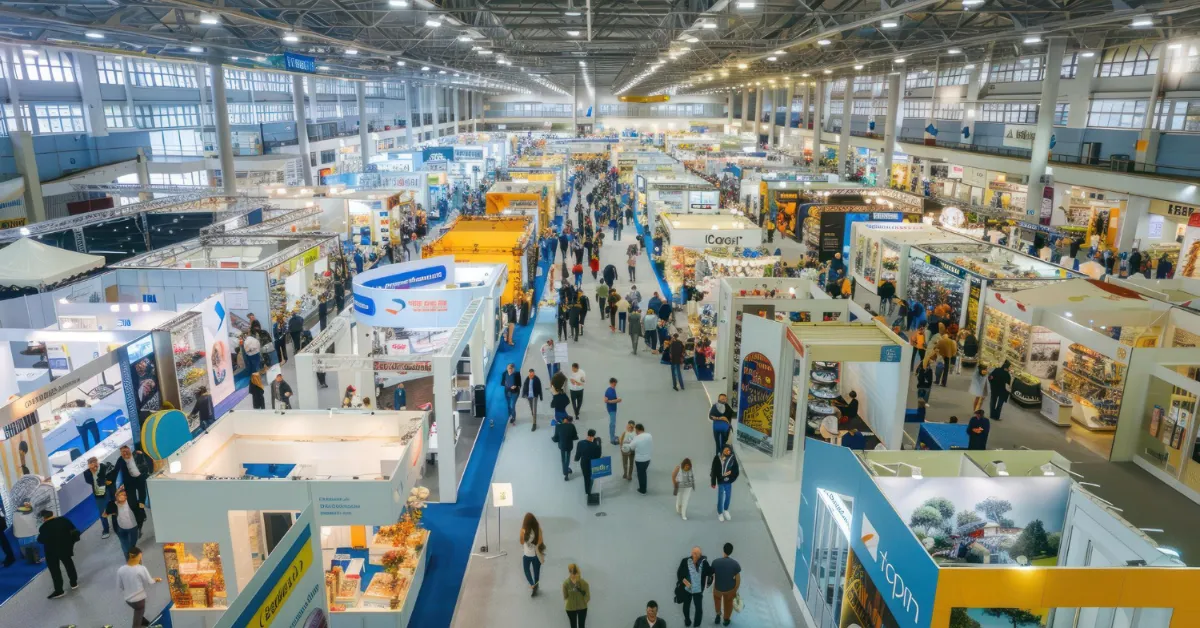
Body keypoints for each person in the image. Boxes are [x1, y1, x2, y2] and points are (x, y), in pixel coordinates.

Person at [38, 509, 79, 599]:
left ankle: (59, 590)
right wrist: (70, 543)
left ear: (44, 518)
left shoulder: (43, 528)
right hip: (65, 548)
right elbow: (75, 531)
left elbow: (40, 540)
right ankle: (74, 583)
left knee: (55, 570)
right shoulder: (64, 520)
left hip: (51, 552)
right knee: (69, 564)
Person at [118, 546, 162, 628]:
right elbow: (150, 581)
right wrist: (156, 579)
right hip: (139, 599)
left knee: (138, 612)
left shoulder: (121, 569)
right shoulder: (141, 568)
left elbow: (120, 586)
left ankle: (144, 622)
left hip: (128, 599)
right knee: (139, 612)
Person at [677, 546, 713, 627]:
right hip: (687, 588)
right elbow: (679, 574)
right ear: (691, 553)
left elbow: (710, 572)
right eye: (694, 553)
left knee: (699, 609)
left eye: (697, 554)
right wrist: (685, 582)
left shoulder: (704, 563)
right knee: (686, 606)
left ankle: (696, 625)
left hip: (698, 589)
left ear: (700, 555)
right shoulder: (685, 561)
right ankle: (687, 620)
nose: (695, 555)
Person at [106, 489, 145, 558]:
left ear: (126, 497)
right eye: (119, 494)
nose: (121, 496)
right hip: (121, 529)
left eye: (123, 495)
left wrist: (139, 525)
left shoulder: (132, 503)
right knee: (125, 547)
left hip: (133, 528)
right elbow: (105, 514)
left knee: (132, 544)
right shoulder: (113, 504)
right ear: (116, 496)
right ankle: (129, 560)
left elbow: (140, 514)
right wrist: (110, 511)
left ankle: (132, 555)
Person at [711, 543, 741, 626]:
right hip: (730, 589)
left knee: (717, 600)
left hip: (718, 588)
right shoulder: (735, 564)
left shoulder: (715, 562)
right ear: (731, 551)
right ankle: (726, 619)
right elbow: (738, 579)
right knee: (728, 604)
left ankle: (718, 615)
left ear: (723, 550)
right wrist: (735, 589)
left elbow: (711, 574)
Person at [83, 457, 113, 540]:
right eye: (91, 463)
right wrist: (92, 472)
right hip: (98, 494)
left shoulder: (102, 466)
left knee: (113, 507)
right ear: (89, 465)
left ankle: (117, 524)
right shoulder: (86, 472)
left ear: (97, 462)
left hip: (107, 491)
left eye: (94, 462)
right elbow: (89, 481)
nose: (94, 464)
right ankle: (106, 529)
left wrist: (96, 472)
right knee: (102, 512)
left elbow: (103, 477)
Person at [711, 445, 740, 522]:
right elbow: (713, 471)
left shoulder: (732, 459)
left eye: (729, 450)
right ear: (723, 450)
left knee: (728, 496)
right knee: (721, 497)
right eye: (726, 450)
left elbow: (736, 471)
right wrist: (713, 482)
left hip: (728, 482)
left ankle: (725, 509)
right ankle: (720, 512)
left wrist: (731, 477)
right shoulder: (717, 458)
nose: (727, 451)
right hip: (721, 481)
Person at [622, 423, 654, 494]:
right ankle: (644, 487)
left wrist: (624, 446)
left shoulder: (637, 438)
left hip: (640, 460)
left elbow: (631, 447)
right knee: (644, 473)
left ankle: (642, 490)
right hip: (648, 459)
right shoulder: (649, 435)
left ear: (637, 429)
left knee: (641, 475)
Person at [520, 513, 545, 596]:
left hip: (526, 555)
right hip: (536, 555)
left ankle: (532, 584)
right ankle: (536, 585)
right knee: (536, 572)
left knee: (526, 570)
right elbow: (541, 541)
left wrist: (522, 534)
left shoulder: (523, 530)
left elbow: (521, 542)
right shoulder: (538, 529)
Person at [574, 429, 602, 497]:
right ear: (593, 436)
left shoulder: (580, 443)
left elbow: (578, 454)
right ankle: (589, 489)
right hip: (593, 463)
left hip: (584, 463)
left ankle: (587, 492)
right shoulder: (596, 445)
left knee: (586, 477)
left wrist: (576, 459)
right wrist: (598, 443)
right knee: (592, 476)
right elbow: (598, 455)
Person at [563, 563, 591, 628]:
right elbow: (565, 596)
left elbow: (588, 596)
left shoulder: (583, 583)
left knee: (581, 625)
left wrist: (584, 602)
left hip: (581, 608)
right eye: (571, 571)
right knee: (574, 626)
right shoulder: (566, 584)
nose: (573, 574)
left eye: (574, 572)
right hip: (571, 608)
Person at [554, 415, 579, 481]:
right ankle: (566, 471)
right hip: (569, 446)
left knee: (563, 459)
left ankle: (565, 472)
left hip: (562, 445)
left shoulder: (558, 426)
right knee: (567, 458)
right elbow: (575, 437)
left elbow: (555, 438)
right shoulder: (572, 426)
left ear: (564, 420)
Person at [600, 377, 624, 445]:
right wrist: (617, 400)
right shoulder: (609, 390)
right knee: (612, 424)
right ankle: (612, 439)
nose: (615, 385)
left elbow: (607, 399)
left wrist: (615, 400)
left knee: (613, 423)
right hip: (611, 409)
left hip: (613, 409)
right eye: (614, 384)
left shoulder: (612, 390)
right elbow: (606, 400)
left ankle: (613, 436)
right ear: (612, 383)